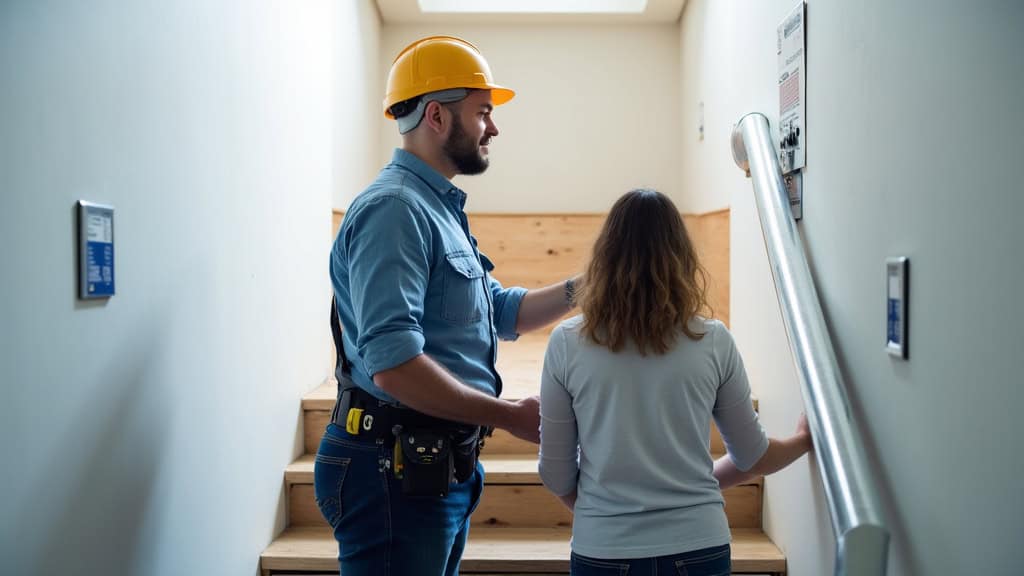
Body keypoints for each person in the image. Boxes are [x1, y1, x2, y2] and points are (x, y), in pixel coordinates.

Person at [315, 35, 579, 576]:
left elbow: (499, 311)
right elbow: (393, 366)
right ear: (436, 115)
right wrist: (508, 416)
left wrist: (591, 286)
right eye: (483, 112)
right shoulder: (395, 211)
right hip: (389, 471)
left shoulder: (435, 208)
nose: (494, 127)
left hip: (430, 465)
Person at [538, 188, 813, 575]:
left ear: (604, 255)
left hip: (604, 548)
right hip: (700, 544)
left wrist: (606, 514)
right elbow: (752, 457)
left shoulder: (566, 343)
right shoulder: (713, 340)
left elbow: (555, 473)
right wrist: (803, 440)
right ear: (681, 257)